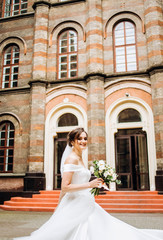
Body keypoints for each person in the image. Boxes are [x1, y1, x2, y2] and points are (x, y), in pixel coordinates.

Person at [14, 127, 163, 240]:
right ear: (72, 141)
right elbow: (65, 187)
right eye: (79, 139)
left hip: (86, 200)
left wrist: (96, 183)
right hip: (75, 203)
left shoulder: (80, 157)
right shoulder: (71, 158)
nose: (83, 141)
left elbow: (77, 181)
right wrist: (88, 186)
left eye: (85, 138)